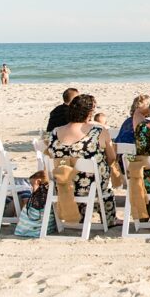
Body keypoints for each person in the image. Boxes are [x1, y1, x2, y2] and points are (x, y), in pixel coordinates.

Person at [45, 94, 118, 228]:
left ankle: (81, 215)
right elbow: (112, 157)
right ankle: (109, 220)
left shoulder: (55, 132)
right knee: (102, 178)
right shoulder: (98, 131)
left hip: (62, 184)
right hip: (90, 186)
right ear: (90, 113)